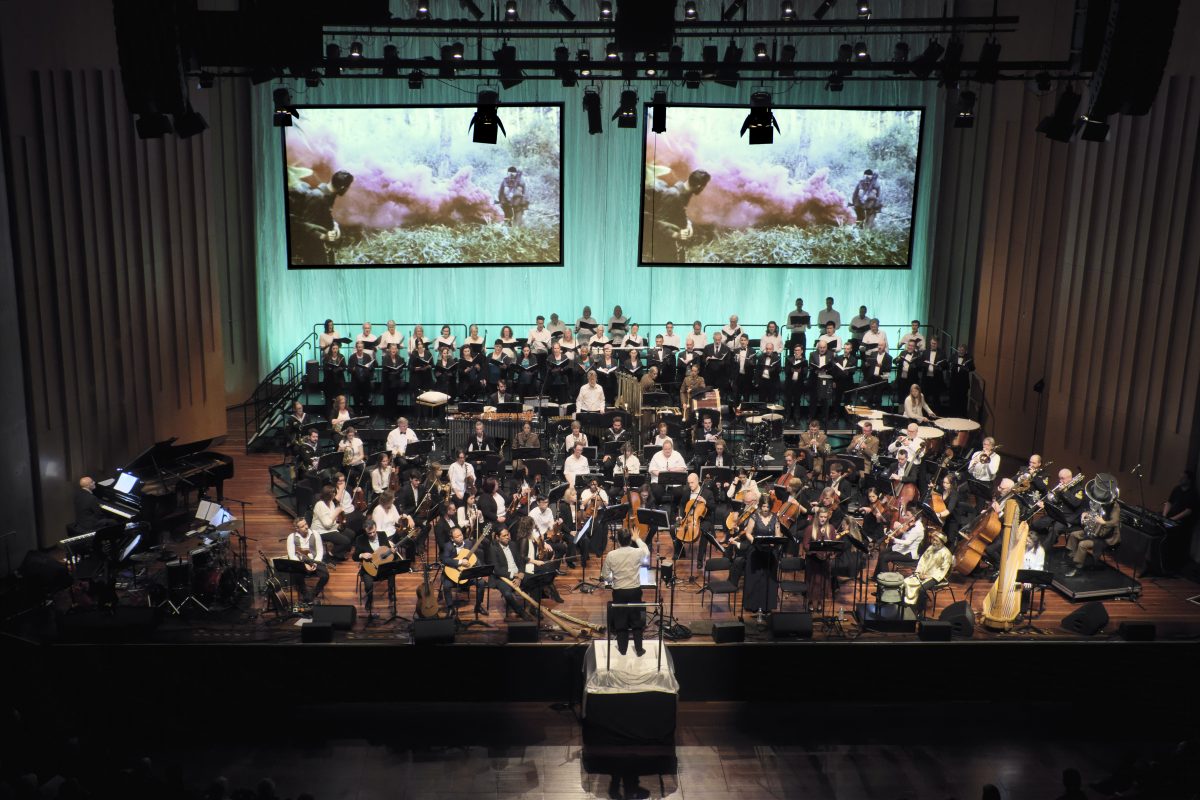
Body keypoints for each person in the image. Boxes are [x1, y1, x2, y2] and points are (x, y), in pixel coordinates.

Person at [288, 170, 354, 265]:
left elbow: (325, 213)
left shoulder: (330, 194)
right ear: (342, 187)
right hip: (309, 241)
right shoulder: (317, 197)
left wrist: (335, 225)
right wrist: (324, 236)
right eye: (348, 187)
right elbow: (303, 224)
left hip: (317, 238)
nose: (347, 189)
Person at [601, 527, 650, 656]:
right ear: (630, 540)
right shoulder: (638, 552)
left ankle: (623, 649)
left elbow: (605, 576)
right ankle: (639, 649)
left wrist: (613, 579)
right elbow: (647, 551)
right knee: (636, 620)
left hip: (619, 592)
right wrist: (637, 538)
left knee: (620, 620)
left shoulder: (611, 555)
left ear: (618, 540)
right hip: (635, 591)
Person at [645, 169, 711, 262]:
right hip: (662, 242)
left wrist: (688, 224)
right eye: (704, 186)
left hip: (672, 240)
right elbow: (656, 221)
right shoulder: (673, 194)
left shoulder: (686, 193)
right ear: (699, 186)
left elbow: (680, 211)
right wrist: (676, 235)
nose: (703, 189)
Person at [1065, 475, 1121, 577]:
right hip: (1094, 531)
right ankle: (1071, 558)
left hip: (1105, 537)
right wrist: (1085, 513)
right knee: (1073, 534)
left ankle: (1077, 568)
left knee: (1082, 544)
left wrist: (1103, 522)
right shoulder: (1098, 500)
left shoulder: (1114, 506)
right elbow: (1093, 511)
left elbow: (1115, 522)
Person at [903, 531, 953, 616]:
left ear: (942, 542)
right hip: (923, 573)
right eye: (933, 540)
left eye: (937, 541)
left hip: (936, 577)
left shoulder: (946, 554)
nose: (934, 542)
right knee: (906, 581)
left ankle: (919, 611)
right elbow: (922, 561)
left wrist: (928, 576)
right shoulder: (930, 548)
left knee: (922, 589)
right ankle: (907, 604)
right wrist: (919, 572)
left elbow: (942, 571)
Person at [440, 527, 488, 616]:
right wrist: (460, 562)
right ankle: (450, 608)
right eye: (457, 536)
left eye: (461, 535)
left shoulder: (469, 543)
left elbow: (476, 558)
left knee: (481, 582)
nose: (460, 537)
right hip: (454, 574)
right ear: (452, 538)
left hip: (467, 574)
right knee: (446, 586)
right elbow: (445, 560)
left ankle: (478, 606)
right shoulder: (448, 545)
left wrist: (479, 571)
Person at [489, 528, 534, 620]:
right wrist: (514, 575)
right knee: (507, 593)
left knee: (536, 581)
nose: (507, 537)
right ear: (497, 537)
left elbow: (521, 562)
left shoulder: (513, 545)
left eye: (508, 535)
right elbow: (497, 570)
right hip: (502, 577)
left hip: (518, 575)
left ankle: (534, 608)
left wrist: (520, 575)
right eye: (504, 536)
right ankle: (521, 612)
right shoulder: (493, 549)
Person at [354, 519, 395, 616]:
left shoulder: (382, 535)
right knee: (368, 585)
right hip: (369, 569)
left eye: (374, 532)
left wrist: (392, 551)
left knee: (392, 572)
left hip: (382, 567)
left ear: (376, 528)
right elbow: (354, 556)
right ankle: (369, 599)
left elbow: (388, 552)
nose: (372, 534)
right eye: (369, 533)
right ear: (365, 531)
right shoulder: (360, 539)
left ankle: (391, 594)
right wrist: (362, 555)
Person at [286, 518, 329, 603]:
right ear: (297, 529)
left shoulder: (315, 534)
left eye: (306, 524)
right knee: (297, 575)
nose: (306, 527)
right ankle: (305, 594)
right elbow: (291, 555)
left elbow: (320, 551)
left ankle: (313, 594)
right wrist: (303, 565)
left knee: (325, 575)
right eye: (302, 526)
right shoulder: (291, 537)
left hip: (314, 561)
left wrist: (314, 564)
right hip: (300, 563)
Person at [648, 438, 687, 505]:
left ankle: (675, 508)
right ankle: (659, 506)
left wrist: (674, 470)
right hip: (659, 480)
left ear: (672, 448)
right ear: (662, 449)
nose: (667, 451)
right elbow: (651, 469)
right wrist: (661, 475)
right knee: (657, 491)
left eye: (669, 449)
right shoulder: (656, 455)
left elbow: (683, 467)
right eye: (665, 449)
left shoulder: (677, 454)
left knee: (679, 492)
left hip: (675, 480)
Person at [783, 344, 806, 424]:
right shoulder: (789, 359)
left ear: (802, 351)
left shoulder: (804, 361)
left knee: (797, 401)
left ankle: (796, 418)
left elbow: (805, 373)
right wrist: (791, 370)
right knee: (788, 401)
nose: (797, 352)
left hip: (799, 384)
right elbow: (785, 371)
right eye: (795, 350)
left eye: (798, 350)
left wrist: (801, 371)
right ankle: (787, 417)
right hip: (789, 383)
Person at [321, 342, 348, 408]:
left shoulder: (341, 356)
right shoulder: (327, 357)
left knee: (339, 398)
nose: (335, 350)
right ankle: (329, 414)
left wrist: (340, 368)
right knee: (329, 399)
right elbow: (324, 367)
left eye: (336, 348)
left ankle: (339, 413)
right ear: (331, 349)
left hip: (339, 381)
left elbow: (344, 367)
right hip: (329, 381)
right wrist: (330, 368)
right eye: (333, 348)